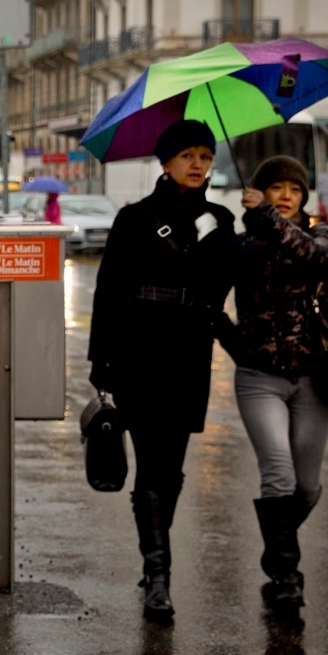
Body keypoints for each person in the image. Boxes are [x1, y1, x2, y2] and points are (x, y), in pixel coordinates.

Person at [88, 119, 238, 621]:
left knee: (170, 470)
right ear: (166, 162)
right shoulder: (135, 218)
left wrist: (240, 231)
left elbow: (223, 285)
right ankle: (158, 576)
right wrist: (101, 362)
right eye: (188, 156)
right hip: (139, 356)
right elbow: (108, 292)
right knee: (153, 463)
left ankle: (154, 559)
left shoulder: (219, 219)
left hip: (190, 357)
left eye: (205, 156)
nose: (198, 165)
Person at [229, 155, 328, 611]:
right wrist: (239, 346)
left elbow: (309, 256)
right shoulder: (243, 245)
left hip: (314, 381)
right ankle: (288, 577)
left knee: (307, 487)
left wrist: (267, 216)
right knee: (278, 473)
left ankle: (276, 548)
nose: (287, 194)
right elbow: (210, 300)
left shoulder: (319, 236)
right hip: (259, 380)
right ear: (262, 192)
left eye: (294, 188)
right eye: (276, 187)